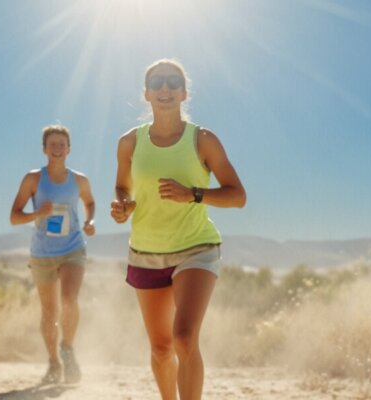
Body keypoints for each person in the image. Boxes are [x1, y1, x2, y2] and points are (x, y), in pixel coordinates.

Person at [110, 59, 246, 400]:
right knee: (160, 349)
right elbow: (122, 187)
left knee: (184, 338)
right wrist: (123, 204)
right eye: (157, 83)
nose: (165, 89)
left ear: (184, 92)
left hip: (196, 248)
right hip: (146, 252)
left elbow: (237, 196)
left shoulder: (203, 140)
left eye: (173, 82)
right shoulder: (129, 143)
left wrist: (194, 194)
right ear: (146, 94)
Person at [9, 125, 95, 385]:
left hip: (72, 247)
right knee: (49, 312)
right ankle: (53, 363)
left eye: (62, 144)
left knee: (69, 300)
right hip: (42, 252)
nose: (57, 149)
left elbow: (90, 202)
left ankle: (67, 348)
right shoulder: (33, 179)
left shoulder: (79, 180)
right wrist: (37, 214)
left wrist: (90, 221)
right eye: (52, 144)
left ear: (69, 149)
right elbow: (14, 216)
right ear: (44, 149)